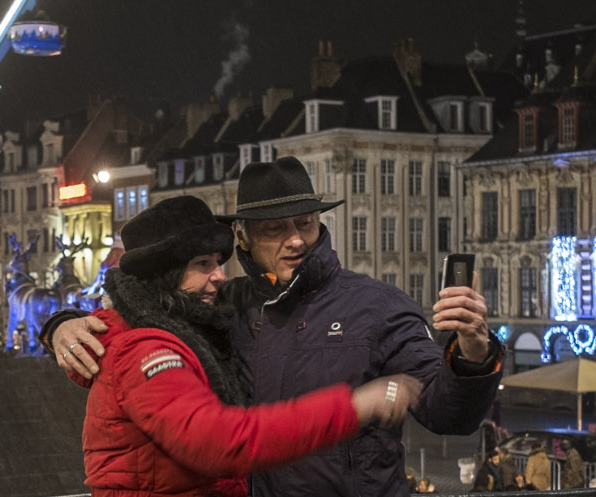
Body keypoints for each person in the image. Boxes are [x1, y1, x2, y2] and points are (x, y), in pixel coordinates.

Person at [48, 158, 503, 497]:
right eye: (275, 229)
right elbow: (139, 320)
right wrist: (63, 326)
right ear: (242, 236)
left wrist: (473, 354)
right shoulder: (221, 303)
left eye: (305, 223)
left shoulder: (377, 306)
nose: (296, 239)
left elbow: (452, 416)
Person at [75, 196, 421, 496]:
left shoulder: (173, 327)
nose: (220, 276)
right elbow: (222, 442)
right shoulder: (146, 349)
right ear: (164, 275)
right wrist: (353, 406)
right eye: (203, 264)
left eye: (219, 262)